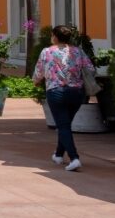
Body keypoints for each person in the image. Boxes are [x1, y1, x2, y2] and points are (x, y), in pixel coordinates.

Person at [32, 25, 95, 172]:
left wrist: (36, 81)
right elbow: (91, 69)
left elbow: (39, 71)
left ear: (55, 37)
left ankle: (74, 158)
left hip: (56, 92)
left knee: (63, 125)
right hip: (76, 93)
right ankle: (58, 155)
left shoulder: (47, 51)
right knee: (65, 124)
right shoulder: (78, 51)